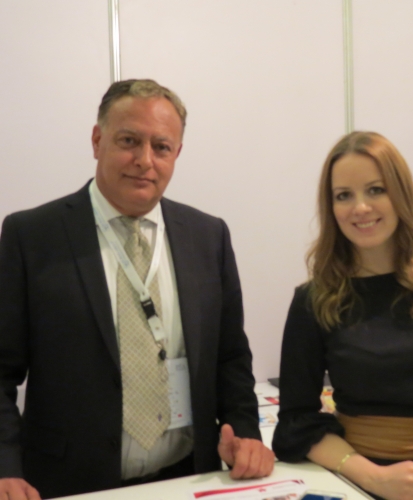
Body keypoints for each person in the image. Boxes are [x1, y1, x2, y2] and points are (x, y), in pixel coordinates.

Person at [0, 79, 274, 500]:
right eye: (129, 141)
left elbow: (230, 356)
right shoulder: (32, 236)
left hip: (188, 479)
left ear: (176, 154)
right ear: (97, 141)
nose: (145, 160)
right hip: (70, 484)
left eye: (161, 147)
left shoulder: (208, 236)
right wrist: (4, 466)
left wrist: (246, 432)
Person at [272, 131, 413, 500]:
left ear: (401, 193)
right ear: (331, 207)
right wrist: (375, 478)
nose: (360, 207)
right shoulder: (314, 300)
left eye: (375, 190)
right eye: (344, 195)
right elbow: (296, 423)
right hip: (364, 487)